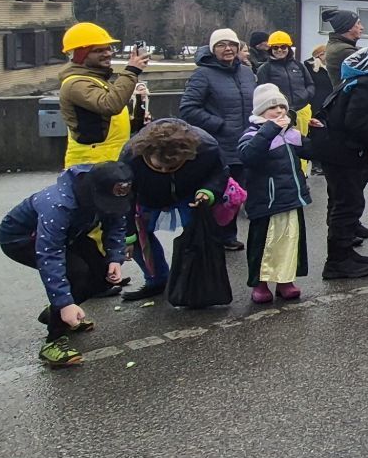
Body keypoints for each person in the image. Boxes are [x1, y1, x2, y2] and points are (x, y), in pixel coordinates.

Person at [0, 161, 135, 369]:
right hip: (23, 238)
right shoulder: (57, 204)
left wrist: (115, 257)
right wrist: (64, 303)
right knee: (76, 272)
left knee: (103, 276)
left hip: (71, 232)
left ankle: (56, 312)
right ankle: (53, 341)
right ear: (91, 192)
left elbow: (116, 223)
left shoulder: (109, 188)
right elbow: (50, 255)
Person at [311, 41, 368, 279]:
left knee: (345, 203)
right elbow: (356, 121)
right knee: (346, 205)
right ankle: (337, 261)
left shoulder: (353, 81)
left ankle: (345, 252)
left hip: (336, 150)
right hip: (344, 153)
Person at [120, 117, 225, 303]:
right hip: (148, 197)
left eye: (171, 166)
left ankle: (195, 281)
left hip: (189, 193)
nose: (164, 171)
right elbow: (124, 197)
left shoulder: (206, 148)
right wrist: (128, 235)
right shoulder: (131, 156)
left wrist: (208, 192)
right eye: (158, 166)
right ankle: (157, 280)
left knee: (198, 235)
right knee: (137, 237)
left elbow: (220, 172)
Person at [179, 29, 257, 252]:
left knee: (236, 194)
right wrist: (219, 124)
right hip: (217, 146)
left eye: (232, 44)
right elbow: (188, 108)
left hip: (244, 144)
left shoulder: (246, 73)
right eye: (221, 45)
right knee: (216, 192)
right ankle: (209, 237)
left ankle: (227, 235)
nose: (228, 49)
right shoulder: (203, 74)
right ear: (213, 49)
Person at [236, 84, 310, 304]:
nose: (279, 111)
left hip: (291, 199)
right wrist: (269, 130)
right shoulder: (252, 134)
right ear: (260, 111)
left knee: (289, 242)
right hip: (266, 202)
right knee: (264, 243)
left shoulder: (290, 134)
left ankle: (285, 281)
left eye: (282, 107)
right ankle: (260, 284)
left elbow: (312, 151)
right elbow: (248, 156)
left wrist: (317, 131)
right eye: (272, 107)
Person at [58, 23, 150, 168]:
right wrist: (132, 70)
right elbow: (110, 105)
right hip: (90, 166)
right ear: (81, 55)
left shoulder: (97, 80)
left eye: (108, 48)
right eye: (98, 50)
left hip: (111, 162)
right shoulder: (75, 84)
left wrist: (137, 121)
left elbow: (105, 122)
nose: (107, 54)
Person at [255, 29, 317, 132]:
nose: (280, 50)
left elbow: (310, 84)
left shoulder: (299, 65)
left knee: (302, 140)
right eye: (275, 47)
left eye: (283, 47)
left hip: (302, 111)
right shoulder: (265, 69)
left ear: (288, 48)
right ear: (270, 49)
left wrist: (306, 95)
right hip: (280, 114)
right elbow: (262, 93)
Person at [319, 8, 365, 91]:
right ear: (349, 27)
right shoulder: (342, 50)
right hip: (351, 97)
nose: (362, 27)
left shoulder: (340, 46)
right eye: (358, 23)